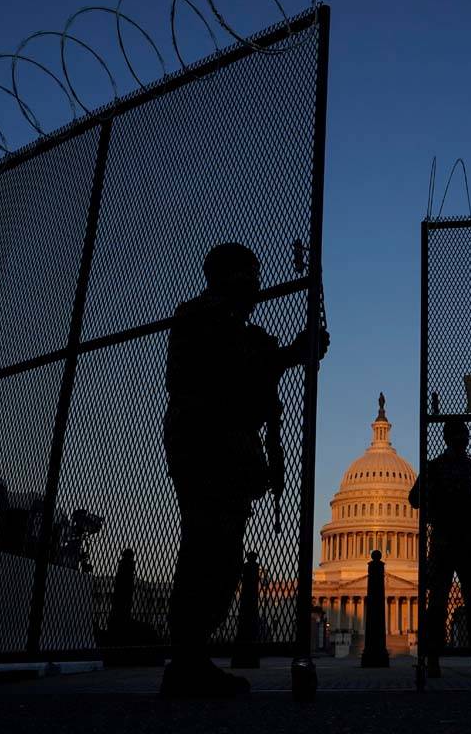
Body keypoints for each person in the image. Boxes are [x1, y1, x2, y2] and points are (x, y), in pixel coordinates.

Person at [161, 242, 328, 697]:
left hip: (222, 450)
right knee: (207, 550)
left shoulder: (232, 326)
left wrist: (289, 355)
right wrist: (285, 356)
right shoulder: (201, 318)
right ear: (228, 276)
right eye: (251, 274)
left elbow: (251, 375)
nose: (257, 284)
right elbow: (230, 375)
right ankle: (188, 662)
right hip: (205, 446)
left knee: (219, 553)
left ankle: (190, 659)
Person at [409, 421, 471, 678]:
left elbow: (414, 499)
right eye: (461, 436)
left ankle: (434, 660)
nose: (463, 440)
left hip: (450, 540)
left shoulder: (437, 467)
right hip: (462, 540)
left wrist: (443, 498)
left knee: (442, 602)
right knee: (468, 601)